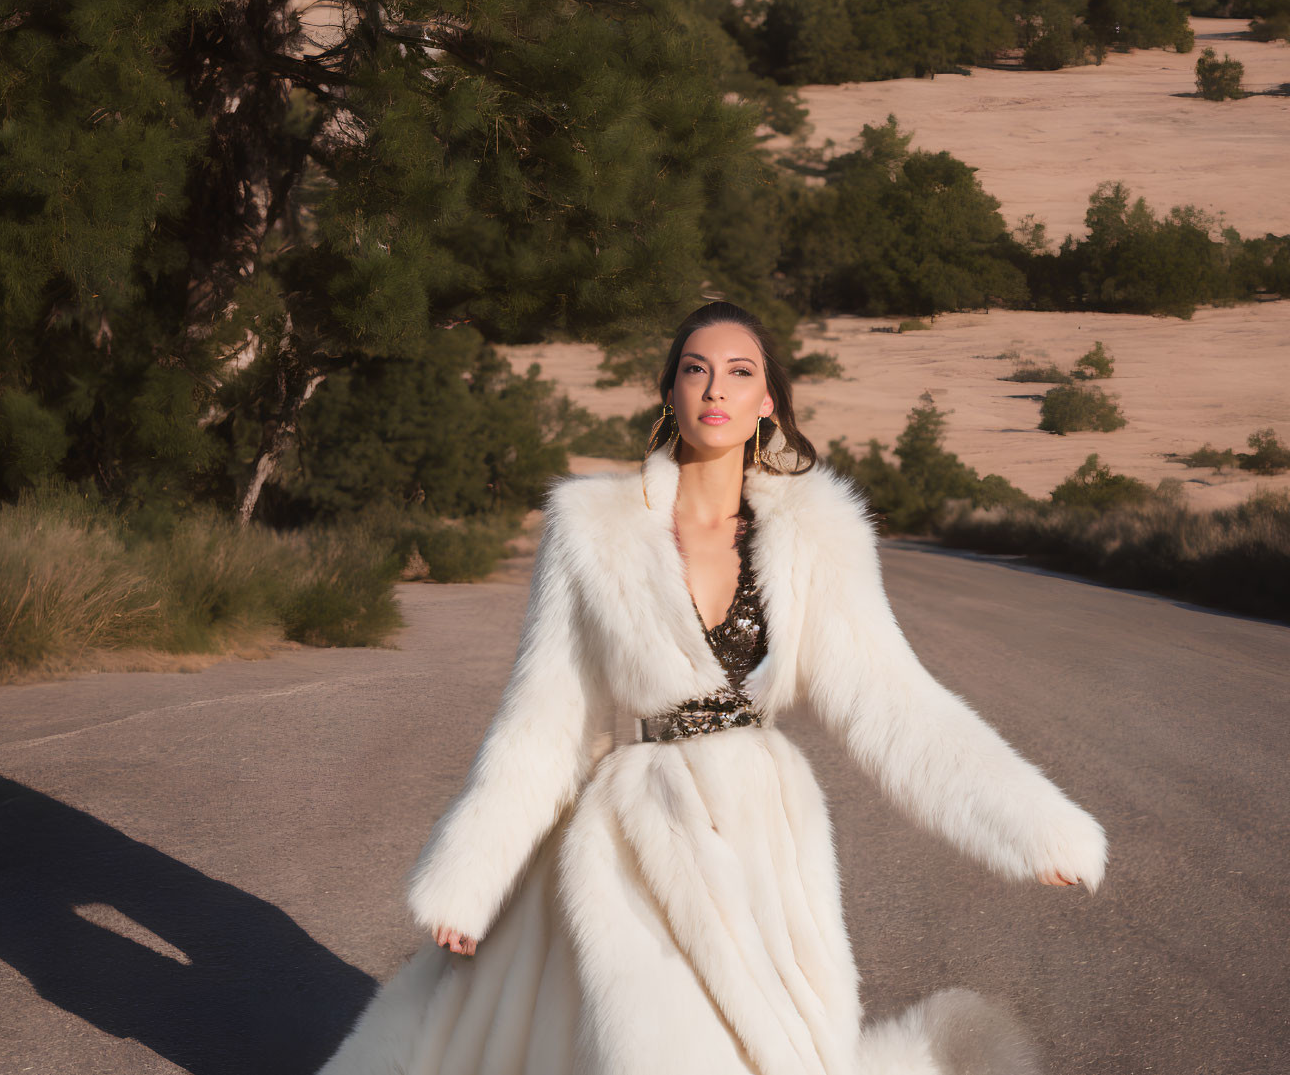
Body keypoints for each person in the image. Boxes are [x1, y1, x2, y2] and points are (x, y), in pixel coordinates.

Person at [318, 300, 1107, 1075]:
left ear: (767, 402)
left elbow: (894, 699)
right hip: (632, 832)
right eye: (695, 370)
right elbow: (543, 714)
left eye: (738, 372)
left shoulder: (817, 535)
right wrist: (472, 872)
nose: (715, 388)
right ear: (670, 392)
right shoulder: (591, 527)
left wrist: (1030, 824)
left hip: (760, 836)